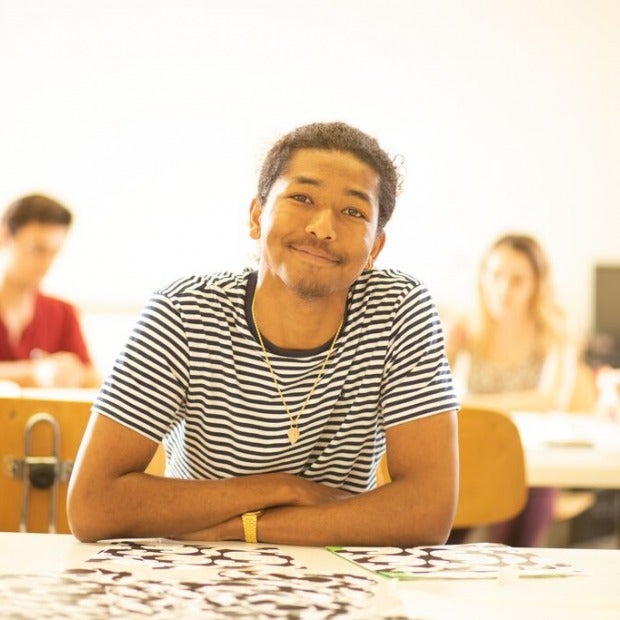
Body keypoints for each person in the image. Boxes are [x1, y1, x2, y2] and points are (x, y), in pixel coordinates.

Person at [67, 121, 459, 546]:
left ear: (375, 249)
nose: (323, 227)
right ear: (257, 217)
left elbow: (427, 512)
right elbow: (92, 505)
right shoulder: (184, 313)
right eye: (302, 198)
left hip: (337, 577)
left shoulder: (398, 309)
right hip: (196, 579)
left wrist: (249, 528)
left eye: (353, 212)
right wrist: (281, 488)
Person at [445, 233, 579, 546]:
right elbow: (430, 391)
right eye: (496, 276)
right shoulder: (463, 329)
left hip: (534, 463)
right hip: (475, 458)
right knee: (442, 537)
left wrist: (475, 403)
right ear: (482, 278)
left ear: (536, 284)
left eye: (518, 280)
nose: (504, 289)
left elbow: (552, 400)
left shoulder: (554, 332)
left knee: (516, 544)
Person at [0, 193, 99, 388]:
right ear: (4, 236)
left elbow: (94, 379)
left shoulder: (63, 313)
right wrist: (33, 374)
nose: (46, 263)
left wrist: (72, 373)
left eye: (54, 252)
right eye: (37, 249)